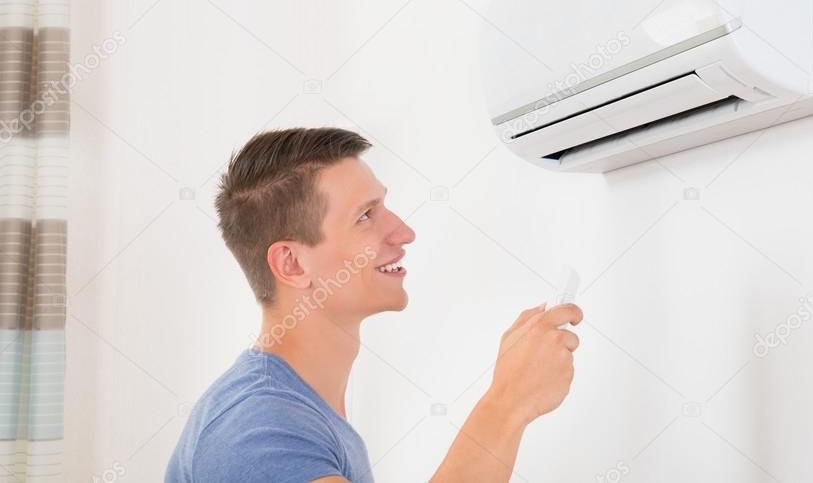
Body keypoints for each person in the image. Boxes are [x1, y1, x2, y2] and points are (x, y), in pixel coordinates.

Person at [165, 127, 583, 482]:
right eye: (365, 216)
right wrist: (507, 403)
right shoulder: (257, 431)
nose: (404, 232)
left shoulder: (297, 412)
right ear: (292, 263)